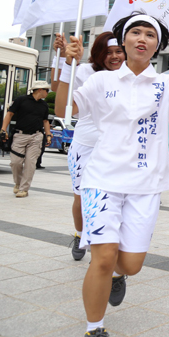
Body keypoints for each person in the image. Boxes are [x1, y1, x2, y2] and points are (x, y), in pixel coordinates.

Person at [55, 13, 169, 337]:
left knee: (130, 264)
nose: (142, 38)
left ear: (158, 46)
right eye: (135, 32)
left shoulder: (167, 84)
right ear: (123, 40)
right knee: (102, 257)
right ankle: (94, 330)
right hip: (102, 180)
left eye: (150, 35)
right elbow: (63, 108)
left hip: (145, 185)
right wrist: (65, 64)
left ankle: (118, 276)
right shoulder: (102, 82)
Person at [51, 31, 126, 261]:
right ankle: (80, 232)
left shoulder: (132, 75)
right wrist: (64, 60)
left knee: (116, 200)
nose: (114, 57)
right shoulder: (86, 71)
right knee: (81, 198)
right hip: (85, 146)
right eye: (108, 52)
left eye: (118, 52)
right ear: (99, 54)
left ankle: (108, 254)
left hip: (117, 149)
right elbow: (57, 89)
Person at [0, 80, 53, 198]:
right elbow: (9, 114)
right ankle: (18, 184)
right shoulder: (21, 100)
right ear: (40, 90)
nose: (48, 93)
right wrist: (3, 130)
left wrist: (48, 134)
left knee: (30, 164)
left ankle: (24, 189)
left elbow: (45, 121)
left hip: (36, 136)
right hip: (19, 135)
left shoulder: (44, 105)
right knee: (15, 163)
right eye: (47, 90)